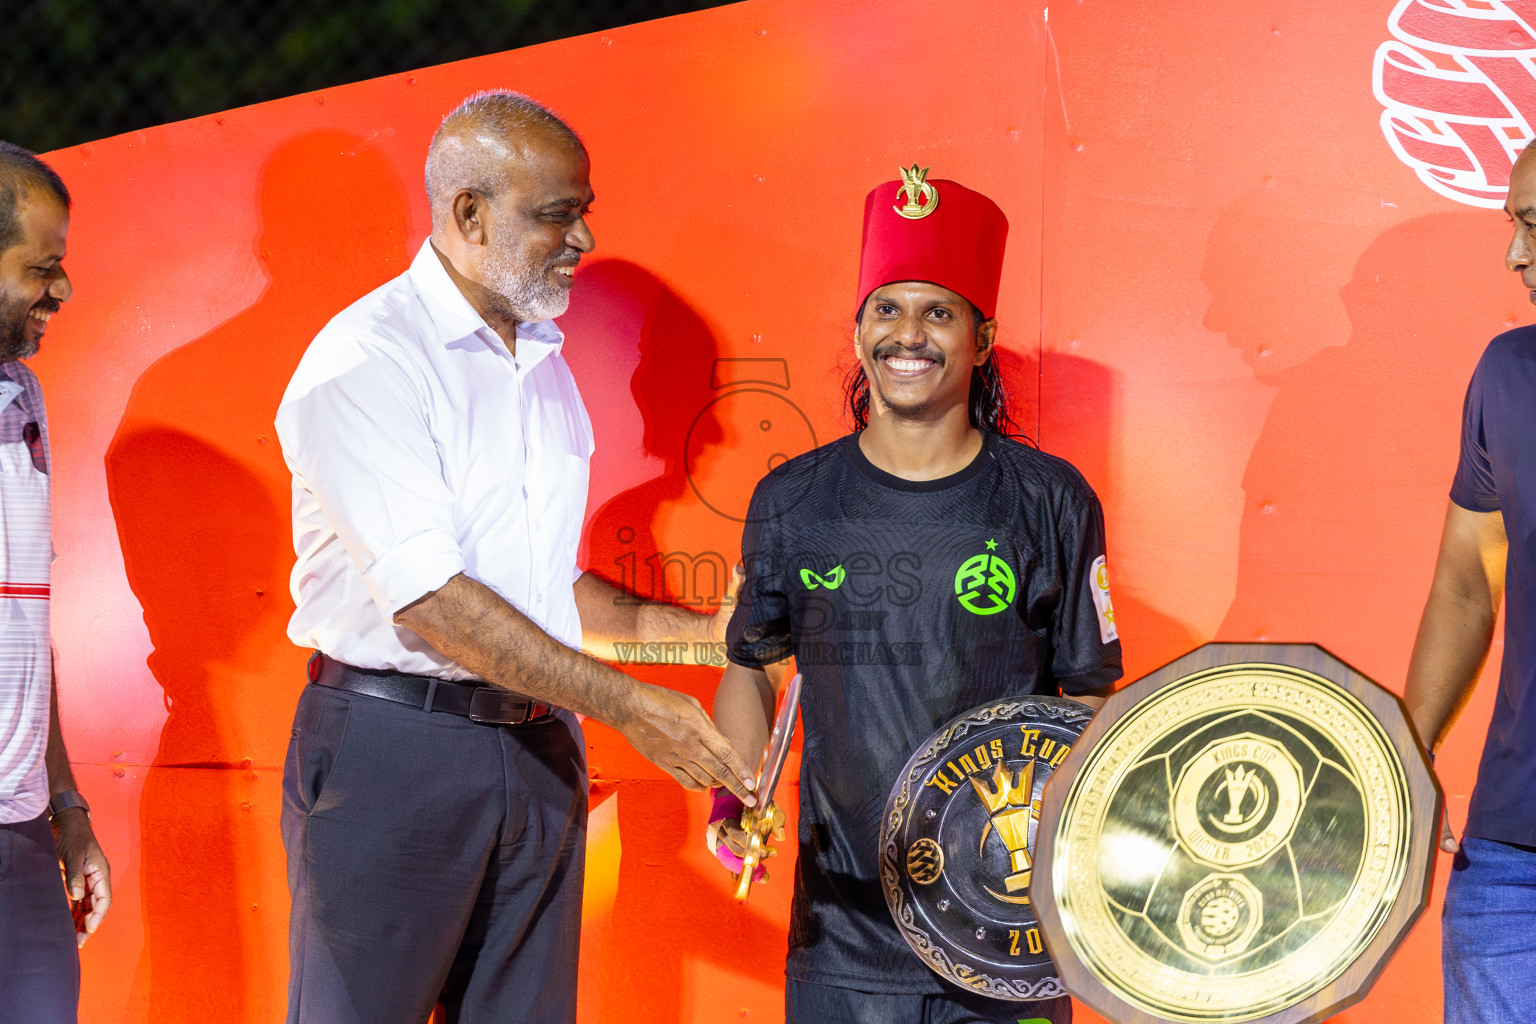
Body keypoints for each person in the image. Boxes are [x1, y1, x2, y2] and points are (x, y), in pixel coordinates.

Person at [274, 92, 756, 1024]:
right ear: (467, 213)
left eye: (582, 212)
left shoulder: (541, 364)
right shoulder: (368, 360)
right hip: (395, 755)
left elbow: (539, 592)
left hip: (540, 750)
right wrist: (624, 707)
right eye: (556, 215)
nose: (581, 239)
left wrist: (708, 642)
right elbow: (434, 603)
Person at [708, 168, 1122, 1024]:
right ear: (859, 331)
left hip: (1013, 938)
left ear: (982, 334)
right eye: (887, 309)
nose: (910, 334)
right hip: (844, 936)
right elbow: (751, 667)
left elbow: (1084, 697)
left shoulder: (1051, 500)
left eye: (938, 312)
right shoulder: (794, 500)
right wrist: (734, 796)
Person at [1405, 140, 1536, 1024]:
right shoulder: (1506, 372)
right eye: (1513, 224)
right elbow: (1466, 580)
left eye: (1532, 225)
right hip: (1513, 858)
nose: (1514, 254)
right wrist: (1404, 761)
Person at [0, 142, 112, 1023]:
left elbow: (25, 641)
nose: (63, 290)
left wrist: (66, 804)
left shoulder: (24, 399)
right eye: (43, 267)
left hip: (23, 838)